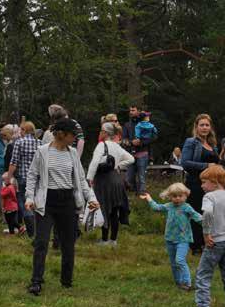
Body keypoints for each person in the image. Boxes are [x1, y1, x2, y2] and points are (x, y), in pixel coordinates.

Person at [25, 118, 99, 296]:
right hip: (46, 202)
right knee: (41, 242)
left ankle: (66, 281)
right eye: (72, 135)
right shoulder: (42, 152)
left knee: (68, 244)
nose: (75, 138)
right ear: (61, 134)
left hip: (67, 202)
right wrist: (29, 198)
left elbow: (81, 179)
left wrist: (91, 198)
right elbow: (32, 176)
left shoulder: (73, 153)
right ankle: (36, 282)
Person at [188, 165, 225, 307]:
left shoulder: (209, 197)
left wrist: (206, 234)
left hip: (215, 242)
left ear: (215, 181)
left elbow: (208, 213)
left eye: (204, 182)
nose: (202, 186)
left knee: (203, 275)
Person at [139, 183, 202, 291]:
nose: (177, 198)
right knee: (173, 263)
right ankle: (179, 282)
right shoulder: (169, 206)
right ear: (170, 197)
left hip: (183, 239)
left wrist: (209, 224)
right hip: (170, 239)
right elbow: (156, 208)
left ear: (185, 195)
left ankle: (187, 283)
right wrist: (149, 198)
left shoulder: (186, 207)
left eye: (180, 196)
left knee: (180, 260)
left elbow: (197, 217)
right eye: (174, 196)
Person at [86, 122, 135, 246]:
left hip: (104, 181)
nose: (100, 133)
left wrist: (89, 179)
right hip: (117, 181)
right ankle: (113, 240)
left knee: (104, 209)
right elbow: (131, 159)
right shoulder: (117, 146)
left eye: (101, 131)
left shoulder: (101, 145)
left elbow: (94, 163)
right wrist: (118, 166)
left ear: (105, 133)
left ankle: (104, 239)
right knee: (114, 211)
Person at [181, 114, 220, 254]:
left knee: (210, 214)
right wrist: (207, 165)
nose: (204, 128)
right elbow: (184, 163)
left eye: (207, 125)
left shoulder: (213, 145)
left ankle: (208, 243)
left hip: (212, 186)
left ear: (210, 127)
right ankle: (196, 246)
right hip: (195, 184)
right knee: (197, 213)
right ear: (196, 127)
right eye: (201, 125)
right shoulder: (191, 142)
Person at [8, 121, 41, 237]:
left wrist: (9, 177)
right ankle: (38, 230)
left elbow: (14, 162)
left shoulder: (19, 142)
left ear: (24, 131)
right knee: (35, 203)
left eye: (21, 130)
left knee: (23, 202)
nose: (20, 132)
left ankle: (32, 232)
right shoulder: (40, 143)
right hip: (37, 178)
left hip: (23, 176)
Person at [122, 105, 157, 194]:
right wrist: (131, 142)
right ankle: (133, 199)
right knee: (129, 178)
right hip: (130, 154)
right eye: (130, 110)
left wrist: (141, 142)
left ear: (138, 111)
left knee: (141, 178)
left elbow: (154, 137)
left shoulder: (146, 123)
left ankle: (142, 197)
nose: (131, 112)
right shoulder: (127, 125)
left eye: (133, 110)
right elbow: (124, 139)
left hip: (143, 153)